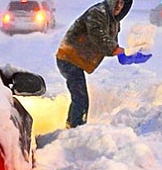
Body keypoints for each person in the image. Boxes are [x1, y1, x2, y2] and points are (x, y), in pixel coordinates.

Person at [55, 0, 133, 128]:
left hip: (77, 59)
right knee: (80, 97)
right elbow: (97, 35)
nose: (119, 5)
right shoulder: (98, 12)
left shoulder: (113, 21)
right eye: (117, 1)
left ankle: (71, 127)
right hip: (68, 57)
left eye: (123, 3)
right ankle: (75, 130)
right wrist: (114, 49)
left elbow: (108, 44)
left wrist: (123, 54)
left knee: (79, 97)